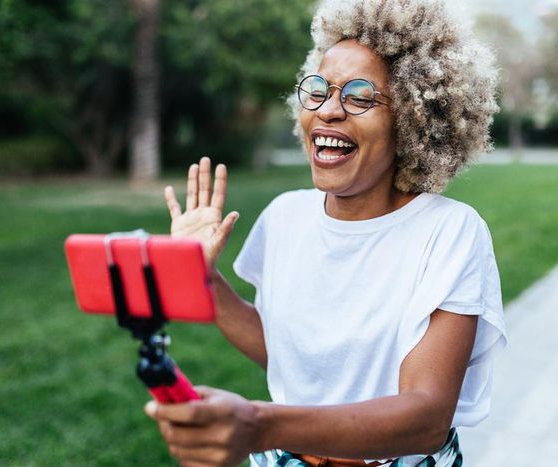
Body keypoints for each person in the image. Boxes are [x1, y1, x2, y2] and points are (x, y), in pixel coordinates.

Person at [144, 1, 507, 466]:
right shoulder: (284, 218)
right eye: (317, 90)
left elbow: (427, 416)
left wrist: (259, 424)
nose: (328, 111)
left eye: (359, 96)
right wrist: (201, 278)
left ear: (415, 118)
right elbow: (290, 355)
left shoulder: (448, 232)